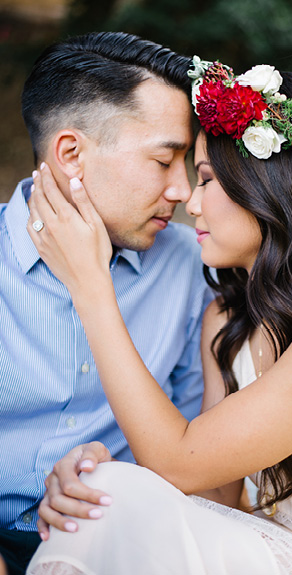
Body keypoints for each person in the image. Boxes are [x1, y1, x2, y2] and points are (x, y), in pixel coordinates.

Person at [25, 57, 292, 574]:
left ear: (268, 184)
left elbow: (178, 461)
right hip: (264, 547)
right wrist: (93, 471)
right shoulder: (227, 316)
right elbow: (213, 488)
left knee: (113, 496)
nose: (189, 203)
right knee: (102, 494)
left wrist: (91, 286)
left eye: (205, 179)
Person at [0, 32, 210, 574]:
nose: (183, 191)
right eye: (165, 161)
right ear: (71, 154)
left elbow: (194, 449)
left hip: (112, 538)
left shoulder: (189, 264)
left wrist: (123, 474)